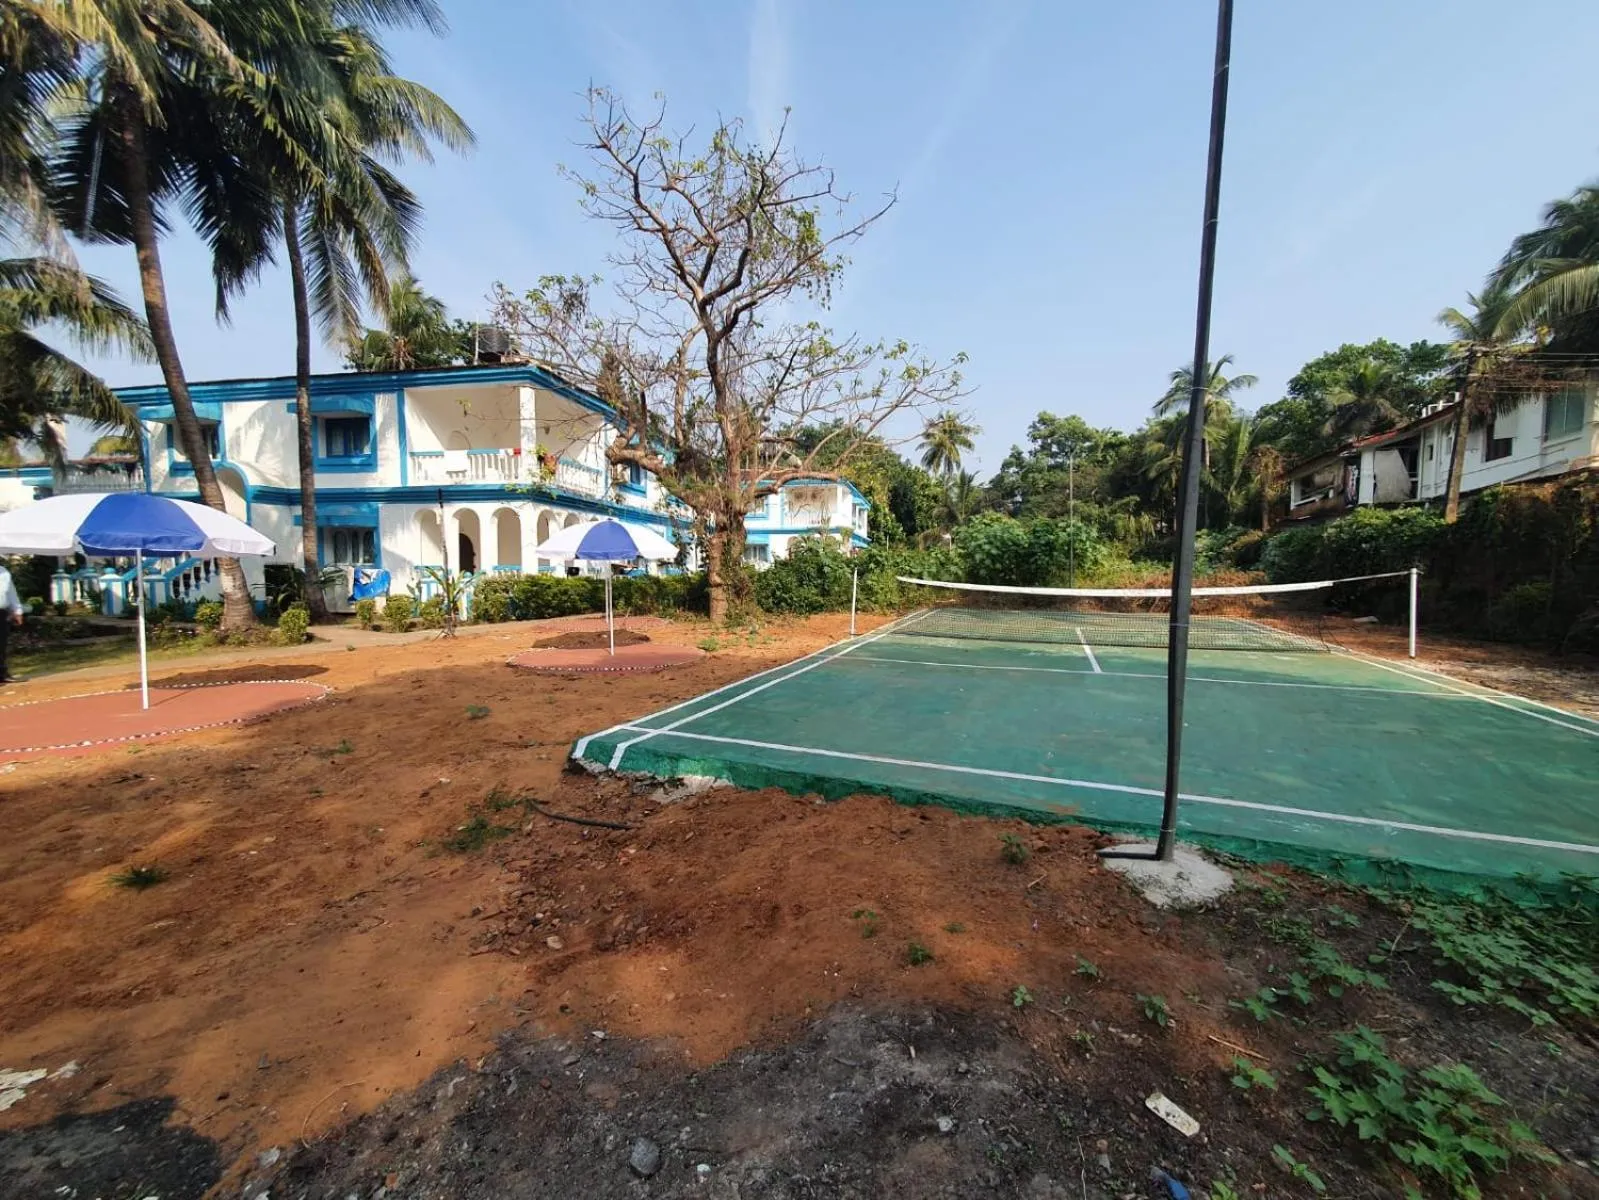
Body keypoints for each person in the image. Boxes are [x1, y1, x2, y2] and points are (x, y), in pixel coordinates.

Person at [0, 560, 22, 684]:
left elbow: (11, 592)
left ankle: (2, 674)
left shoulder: (3, 572)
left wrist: (17, 610)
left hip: (2, 612)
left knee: (1, 644)